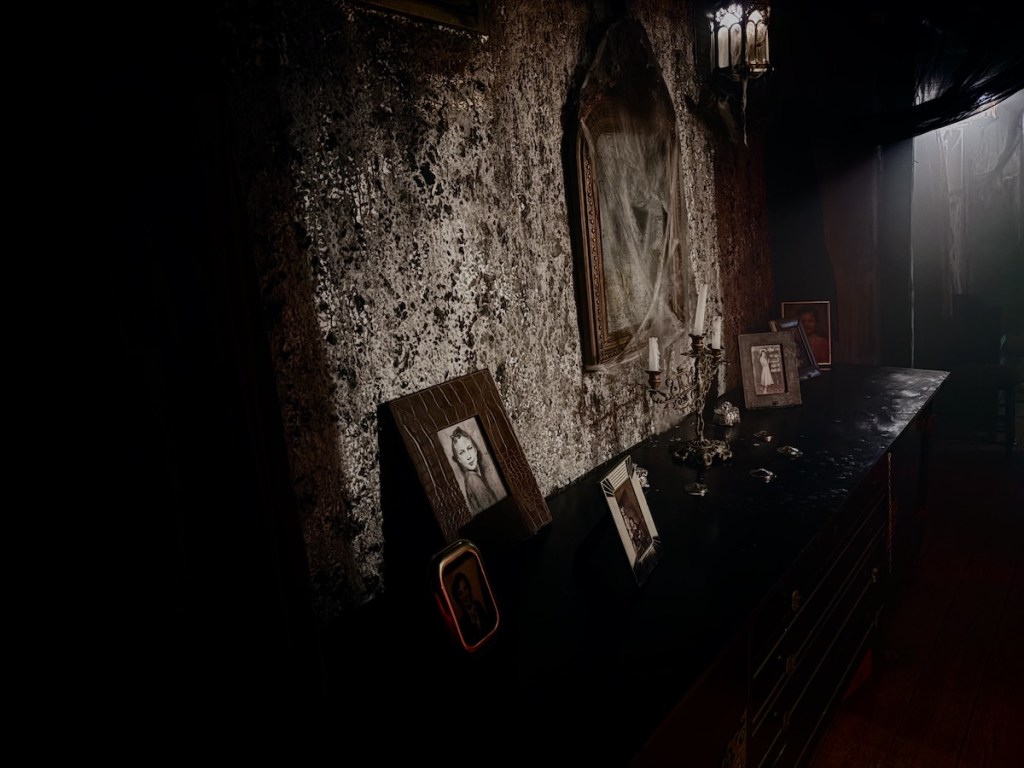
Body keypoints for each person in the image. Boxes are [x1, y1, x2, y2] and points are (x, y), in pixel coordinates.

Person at [450, 427, 506, 515]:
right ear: (458, 459)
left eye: (469, 448)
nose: (468, 456)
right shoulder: (473, 479)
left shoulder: (471, 477)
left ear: (475, 450)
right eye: (462, 452)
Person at [452, 570, 495, 647]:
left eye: (465, 588)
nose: (465, 594)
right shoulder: (462, 624)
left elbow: (490, 626)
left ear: (469, 588)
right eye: (460, 593)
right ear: (457, 598)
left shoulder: (478, 605)